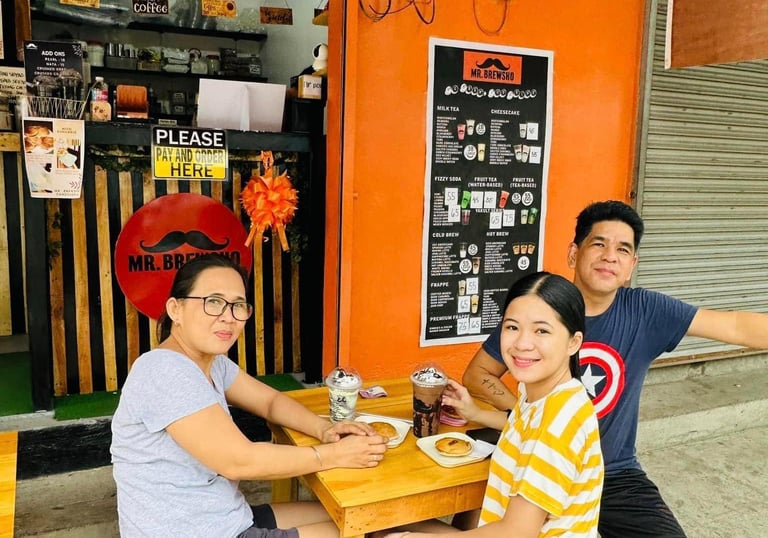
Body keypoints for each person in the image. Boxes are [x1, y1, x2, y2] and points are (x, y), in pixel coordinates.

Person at [462, 200, 768, 538]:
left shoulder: (646, 311)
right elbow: (478, 374)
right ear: (573, 253)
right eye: (599, 244)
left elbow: (736, 326)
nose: (610, 256)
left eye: (623, 249)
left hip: (615, 475)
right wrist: (530, 419)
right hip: (538, 461)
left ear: (632, 265)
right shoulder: (540, 310)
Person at [110, 253, 388, 538]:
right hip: (197, 532)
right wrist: (333, 455)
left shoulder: (211, 363)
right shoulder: (163, 369)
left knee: (374, 516)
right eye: (213, 302)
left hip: (226, 518)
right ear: (175, 309)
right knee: (371, 530)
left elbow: (270, 402)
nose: (228, 317)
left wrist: (324, 429)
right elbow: (238, 460)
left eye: (238, 305)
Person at [382, 271, 604, 538]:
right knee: (388, 520)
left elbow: (517, 532)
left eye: (541, 331)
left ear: (573, 342)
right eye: (512, 327)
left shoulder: (559, 423)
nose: (522, 343)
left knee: (384, 530)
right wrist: (475, 412)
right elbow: (524, 426)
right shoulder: (547, 394)